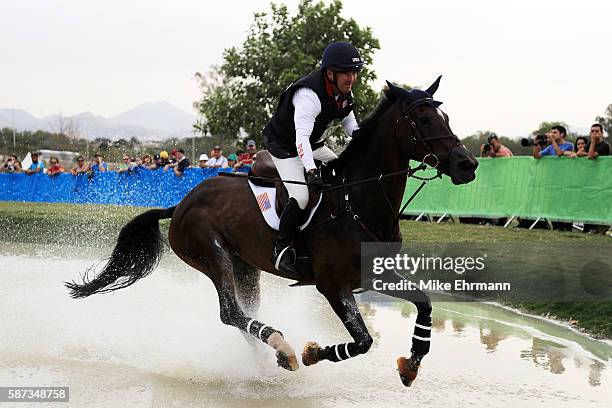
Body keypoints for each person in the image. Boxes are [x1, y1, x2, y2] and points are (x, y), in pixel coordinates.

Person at [262, 41, 362, 274]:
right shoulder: (309, 95)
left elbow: (351, 127)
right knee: (301, 195)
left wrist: (366, 139)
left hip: (312, 144)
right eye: (346, 73)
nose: (352, 78)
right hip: (285, 146)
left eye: (354, 72)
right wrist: (311, 170)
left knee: (343, 174)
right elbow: (301, 140)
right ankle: (282, 247)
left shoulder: (344, 91)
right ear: (330, 73)